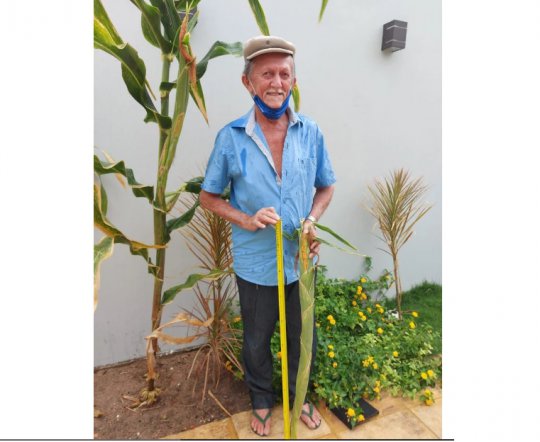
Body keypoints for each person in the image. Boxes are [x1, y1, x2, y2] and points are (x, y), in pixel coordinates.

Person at [199, 35, 336, 437]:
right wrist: (244, 218)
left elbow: (326, 187)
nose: (276, 82)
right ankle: (261, 399)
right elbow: (208, 197)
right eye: (267, 74)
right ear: (248, 82)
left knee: (301, 337)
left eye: (284, 74)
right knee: (257, 341)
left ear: (293, 80)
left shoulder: (310, 132)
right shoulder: (231, 138)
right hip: (255, 264)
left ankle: (299, 396)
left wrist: (311, 219)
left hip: (300, 261)